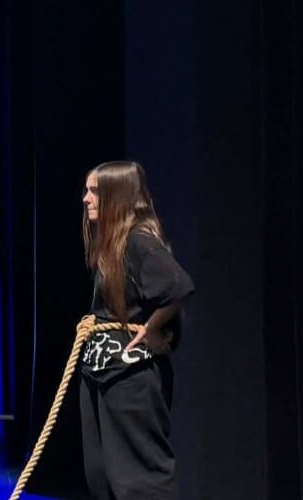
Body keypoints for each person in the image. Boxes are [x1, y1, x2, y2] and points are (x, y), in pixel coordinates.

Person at [75, 161, 193, 499]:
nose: (86, 199)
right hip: (101, 369)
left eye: (95, 192)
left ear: (117, 196)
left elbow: (178, 286)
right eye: (87, 190)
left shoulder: (138, 240)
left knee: (138, 479)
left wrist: (153, 328)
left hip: (130, 373)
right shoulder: (112, 244)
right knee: (101, 475)